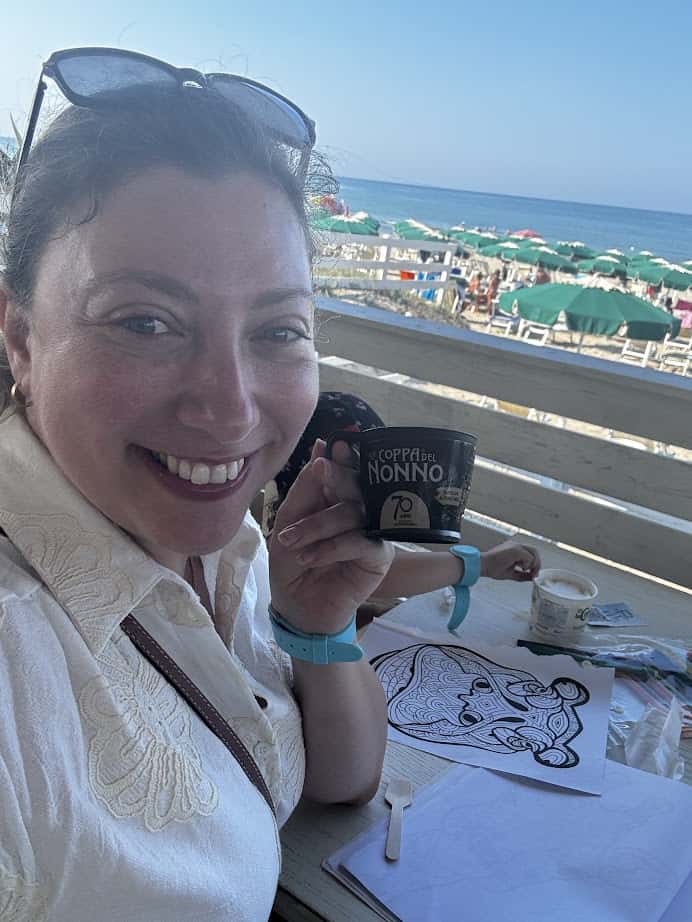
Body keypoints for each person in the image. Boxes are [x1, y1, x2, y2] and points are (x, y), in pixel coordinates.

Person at [0, 49, 390, 921]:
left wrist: (318, 630)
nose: (230, 408)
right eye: (145, 321)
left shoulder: (225, 544)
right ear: (21, 339)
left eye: (278, 329)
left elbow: (341, 778)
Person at [268, 393, 541, 620]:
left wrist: (482, 564)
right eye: (354, 474)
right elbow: (385, 577)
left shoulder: (301, 535)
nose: (373, 487)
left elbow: (384, 571)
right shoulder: (291, 549)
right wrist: (480, 565)